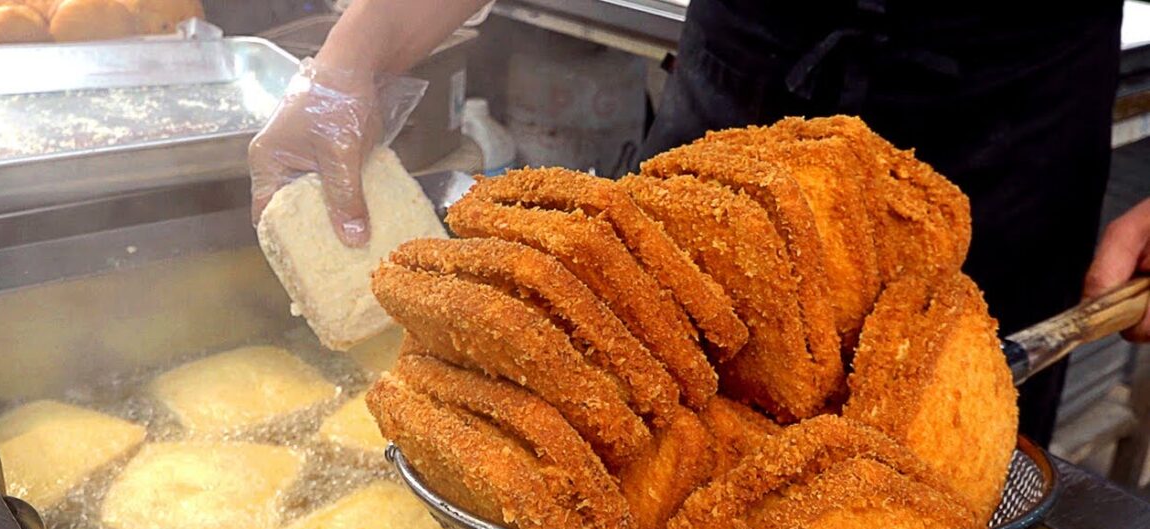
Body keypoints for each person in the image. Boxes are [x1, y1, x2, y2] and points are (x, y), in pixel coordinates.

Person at [248, 0, 1148, 447]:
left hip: (1000, 142)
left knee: (950, 485)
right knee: (634, 414)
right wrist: (351, 60)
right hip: (738, 104)